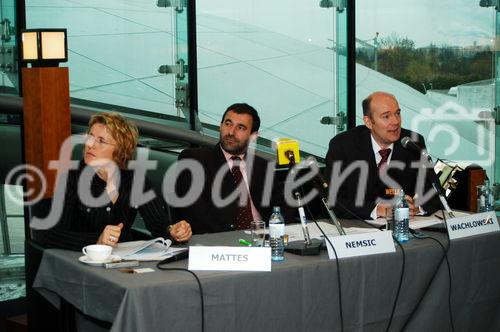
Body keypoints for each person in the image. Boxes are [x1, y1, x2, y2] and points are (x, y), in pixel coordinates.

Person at [36, 112, 192, 250]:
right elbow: (50, 235)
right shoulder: (71, 178)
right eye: (90, 137)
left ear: (120, 150)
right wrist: (95, 241)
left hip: (123, 264)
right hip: (80, 265)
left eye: (101, 141)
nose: (90, 144)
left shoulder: (136, 180)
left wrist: (174, 231)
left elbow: (159, 226)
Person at [324, 91, 441, 220]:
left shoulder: (412, 143)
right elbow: (333, 200)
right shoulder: (343, 145)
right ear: (368, 122)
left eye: (397, 113)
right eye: (386, 116)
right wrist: (378, 210)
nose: (396, 121)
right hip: (358, 230)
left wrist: (416, 207)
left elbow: (436, 194)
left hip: (405, 229)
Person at [175, 103, 285, 234]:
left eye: (241, 127)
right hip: (219, 243)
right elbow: (195, 217)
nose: (231, 132)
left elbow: (281, 209)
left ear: (253, 136)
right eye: (228, 124)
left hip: (263, 240)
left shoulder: (263, 167)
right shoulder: (194, 160)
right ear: (220, 126)